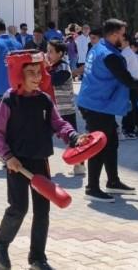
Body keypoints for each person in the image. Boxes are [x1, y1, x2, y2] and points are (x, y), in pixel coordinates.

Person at [0, 52, 82, 270]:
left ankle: (38, 258)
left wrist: (74, 137)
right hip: (17, 164)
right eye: (31, 72)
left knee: (42, 211)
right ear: (19, 74)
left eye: (39, 72)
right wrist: (7, 156)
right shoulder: (8, 100)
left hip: (40, 161)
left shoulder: (44, 100)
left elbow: (59, 124)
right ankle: (0, 243)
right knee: (18, 208)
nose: (37, 77)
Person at [77, 18, 138, 202]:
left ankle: (113, 182)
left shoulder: (100, 47)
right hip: (96, 106)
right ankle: (92, 188)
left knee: (112, 143)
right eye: (123, 34)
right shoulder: (110, 55)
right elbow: (128, 81)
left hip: (97, 103)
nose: (125, 38)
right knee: (98, 146)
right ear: (114, 34)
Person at [46, 41, 85, 176]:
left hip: (65, 110)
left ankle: (79, 165)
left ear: (60, 53)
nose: (48, 54)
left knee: (73, 139)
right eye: (47, 51)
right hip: (52, 110)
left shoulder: (63, 67)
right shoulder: (51, 66)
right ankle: (41, 165)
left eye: (51, 51)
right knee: (44, 137)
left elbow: (53, 80)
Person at [120, 32, 138, 139]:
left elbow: (122, 72)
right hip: (135, 83)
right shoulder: (127, 52)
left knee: (130, 108)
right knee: (136, 107)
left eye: (121, 39)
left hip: (131, 84)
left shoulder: (125, 54)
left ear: (126, 42)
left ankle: (129, 130)